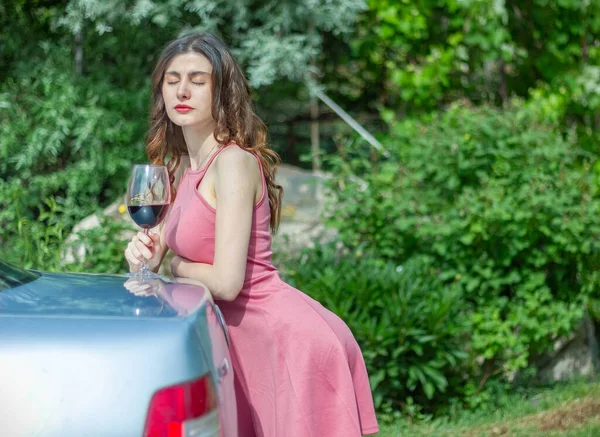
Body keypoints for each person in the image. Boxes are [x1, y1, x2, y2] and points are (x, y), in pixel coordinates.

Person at [124, 33, 379, 437]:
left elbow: (226, 282)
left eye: (198, 79)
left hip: (286, 342)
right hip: (235, 342)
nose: (182, 90)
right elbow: (163, 258)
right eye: (172, 80)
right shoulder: (177, 171)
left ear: (221, 90)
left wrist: (171, 264)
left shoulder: (233, 163)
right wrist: (147, 255)